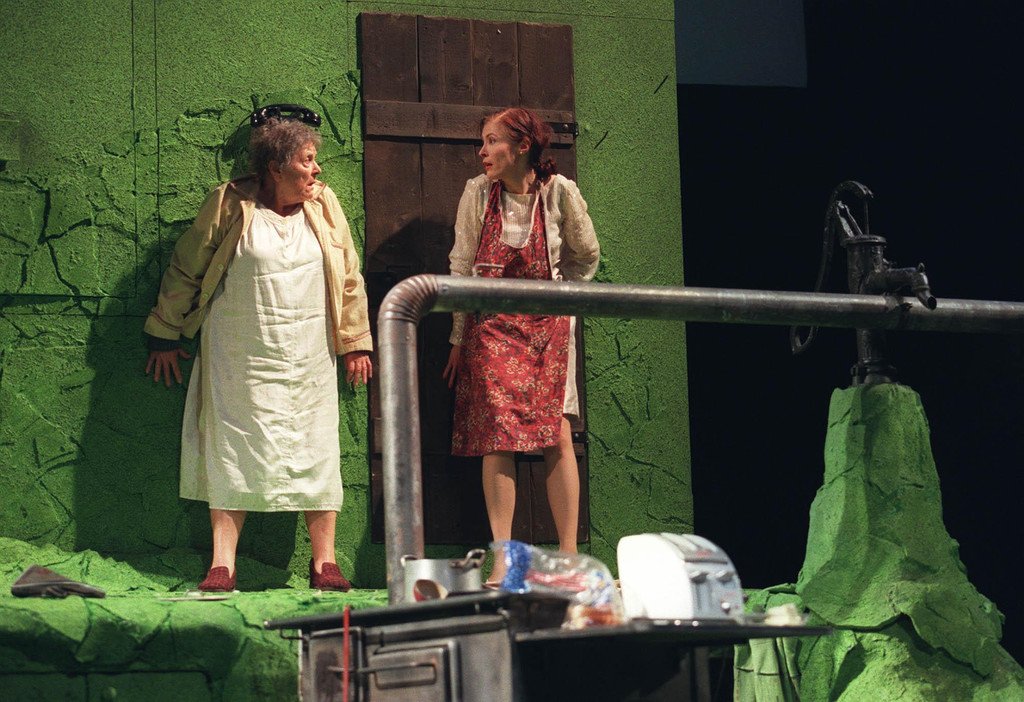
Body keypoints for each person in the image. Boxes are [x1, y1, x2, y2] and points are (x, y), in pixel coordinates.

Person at [143, 106, 373, 592]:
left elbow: (348, 274)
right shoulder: (229, 202)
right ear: (276, 167)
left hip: (309, 348)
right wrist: (164, 333)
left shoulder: (324, 205)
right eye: (307, 160)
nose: (317, 170)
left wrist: (355, 343)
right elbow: (187, 267)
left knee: (315, 444)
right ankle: (222, 564)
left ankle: (325, 562)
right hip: (240, 349)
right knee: (234, 443)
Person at [442, 107, 600, 584]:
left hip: (548, 328)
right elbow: (461, 265)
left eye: (492, 141)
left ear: (522, 146)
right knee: (497, 436)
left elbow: (586, 254)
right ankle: (504, 557)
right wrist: (457, 336)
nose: (483, 151)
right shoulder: (477, 193)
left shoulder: (558, 193)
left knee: (557, 432)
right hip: (491, 329)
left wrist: (562, 300)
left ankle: (568, 556)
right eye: (483, 141)